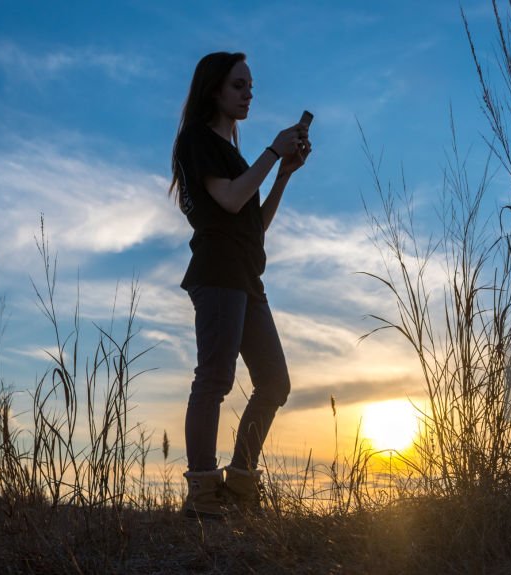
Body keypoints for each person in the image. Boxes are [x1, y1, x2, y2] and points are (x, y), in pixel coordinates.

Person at [168, 51, 311, 519]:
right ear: (214, 90)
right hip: (218, 274)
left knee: (274, 381)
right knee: (214, 379)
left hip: (246, 276)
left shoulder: (234, 154)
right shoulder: (197, 141)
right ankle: (204, 495)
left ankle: (241, 486)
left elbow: (254, 223)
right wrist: (273, 152)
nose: (249, 93)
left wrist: (283, 176)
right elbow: (228, 200)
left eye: (251, 86)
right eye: (238, 85)